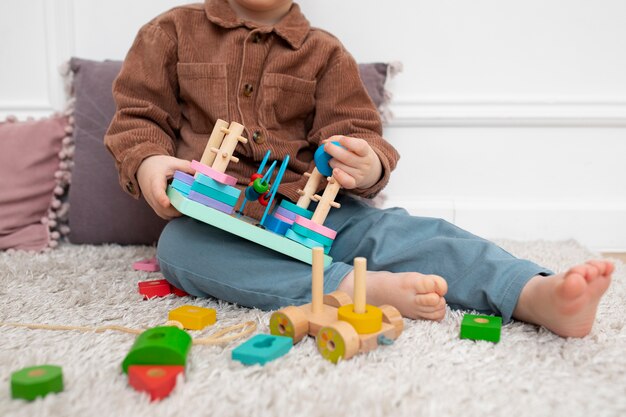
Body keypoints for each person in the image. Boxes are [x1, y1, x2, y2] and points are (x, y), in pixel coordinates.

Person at [105, 0, 613, 338]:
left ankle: (532, 292)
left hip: (320, 212)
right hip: (220, 220)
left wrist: (367, 164)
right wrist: (147, 160)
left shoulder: (324, 53)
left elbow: (357, 130)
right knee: (180, 250)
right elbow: (138, 117)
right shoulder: (169, 33)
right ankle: (350, 288)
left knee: (421, 235)